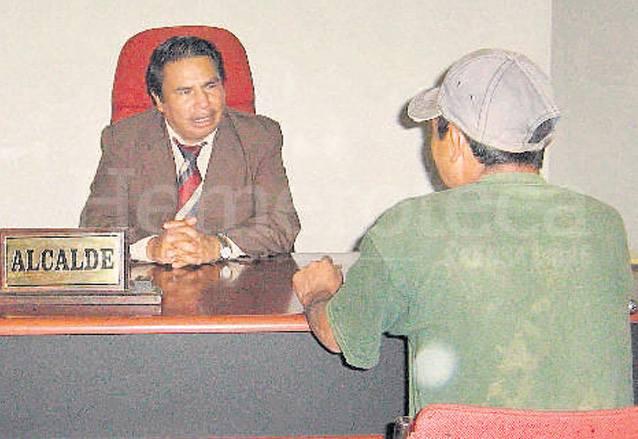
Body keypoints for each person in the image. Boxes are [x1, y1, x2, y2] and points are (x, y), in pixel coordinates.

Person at [293, 49, 634, 414]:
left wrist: (320, 292)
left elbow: (341, 337)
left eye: (434, 133)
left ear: (454, 140)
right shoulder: (604, 224)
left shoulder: (410, 226)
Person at [80, 36, 300, 268]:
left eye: (211, 86)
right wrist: (151, 247)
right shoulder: (123, 140)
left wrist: (217, 246)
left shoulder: (259, 137)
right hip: (150, 285)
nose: (204, 103)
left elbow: (282, 224)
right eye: (186, 92)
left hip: (233, 286)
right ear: (159, 100)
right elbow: (97, 226)